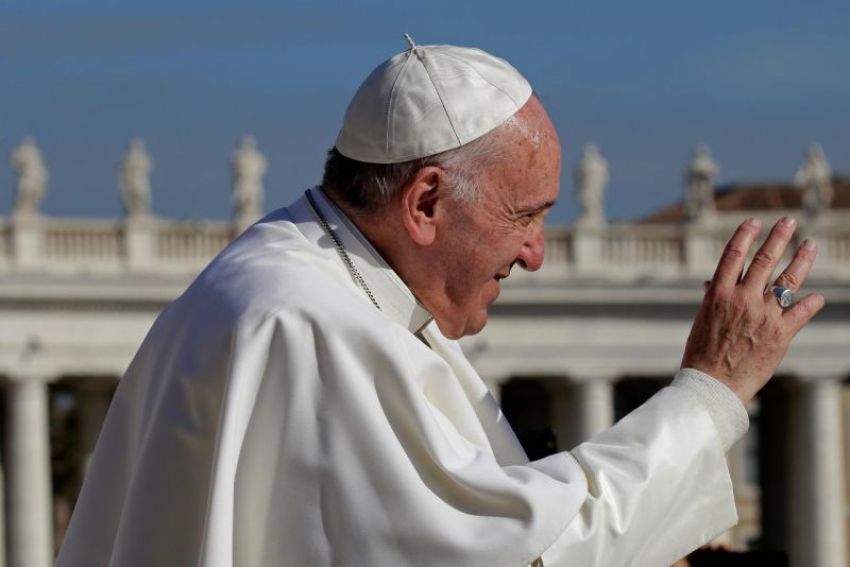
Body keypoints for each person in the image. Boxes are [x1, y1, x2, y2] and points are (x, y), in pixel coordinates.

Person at [57, 39, 823, 567]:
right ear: (425, 201)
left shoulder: (305, 280)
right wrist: (711, 391)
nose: (535, 252)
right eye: (525, 215)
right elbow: (532, 553)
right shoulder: (307, 320)